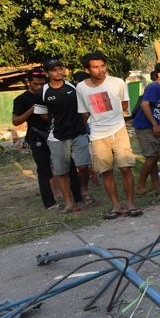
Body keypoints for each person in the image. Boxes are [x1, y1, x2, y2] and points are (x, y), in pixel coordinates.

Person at [76, 52, 141, 219]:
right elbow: (83, 113)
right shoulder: (81, 88)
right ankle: (116, 206)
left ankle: (130, 204)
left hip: (118, 129)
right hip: (98, 134)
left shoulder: (117, 83)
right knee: (106, 171)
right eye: (95, 67)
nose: (100, 70)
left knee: (126, 168)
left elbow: (125, 104)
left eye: (102, 66)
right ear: (88, 69)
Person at [12, 68, 83, 210]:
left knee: (68, 164)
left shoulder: (50, 92)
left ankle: (78, 196)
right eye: (35, 84)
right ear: (28, 82)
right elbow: (15, 121)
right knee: (43, 168)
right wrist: (31, 110)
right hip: (37, 134)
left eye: (41, 83)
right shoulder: (21, 99)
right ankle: (49, 202)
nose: (39, 87)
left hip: (57, 133)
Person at [41, 58, 94, 212]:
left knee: (83, 165)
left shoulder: (75, 87)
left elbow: (84, 108)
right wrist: (58, 121)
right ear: (47, 73)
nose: (58, 72)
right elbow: (43, 114)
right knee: (62, 171)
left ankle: (84, 189)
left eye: (60, 68)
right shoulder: (43, 92)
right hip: (57, 135)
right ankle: (69, 202)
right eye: (53, 69)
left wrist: (84, 125)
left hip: (78, 131)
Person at [134, 62, 160, 196]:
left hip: (153, 125)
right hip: (145, 126)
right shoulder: (153, 87)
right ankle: (140, 185)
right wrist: (154, 124)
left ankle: (156, 186)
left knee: (154, 156)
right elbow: (145, 105)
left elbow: (156, 107)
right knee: (152, 156)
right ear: (159, 75)